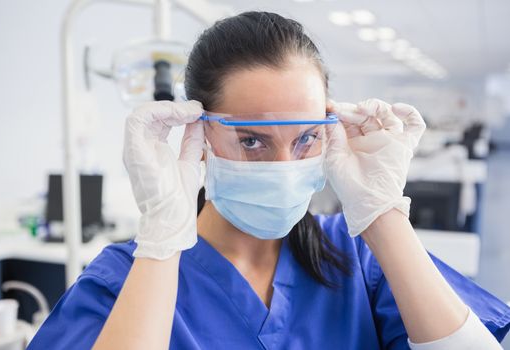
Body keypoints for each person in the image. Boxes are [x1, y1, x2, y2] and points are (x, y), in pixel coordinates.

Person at [27, 11, 510, 350]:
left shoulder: (358, 255)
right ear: (200, 133)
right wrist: (162, 239)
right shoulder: (125, 279)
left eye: (305, 139)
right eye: (253, 141)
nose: (283, 165)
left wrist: (382, 212)